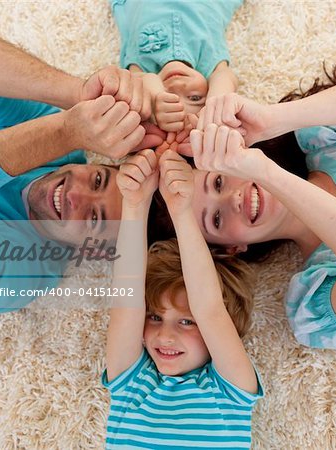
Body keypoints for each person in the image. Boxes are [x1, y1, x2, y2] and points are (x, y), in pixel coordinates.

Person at [0, 27, 165, 314]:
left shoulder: (18, 274)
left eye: (94, 218)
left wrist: (66, 132)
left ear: (94, 251)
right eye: (98, 180)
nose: (76, 195)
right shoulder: (63, 151)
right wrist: (79, 95)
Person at [185, 66, 336, 350]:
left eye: (219, 181)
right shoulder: (318, 297)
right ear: (232, 247)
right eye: (216, 219)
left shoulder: (327, 142)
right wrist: (266, 173)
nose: (232, 200)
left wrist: (273, 120)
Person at [103, 148, 263, 448]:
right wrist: (135, 206)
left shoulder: (231, 389)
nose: (165, 335)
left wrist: (182, 211)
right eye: (154, 317)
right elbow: (126, 304)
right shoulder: (131, 383)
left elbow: (210, 308)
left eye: (188, 321)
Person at [109, 0, 242, 132]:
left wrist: (155, 99)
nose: (177, 85)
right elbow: (225, 76)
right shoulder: (208, 64)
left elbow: (138, 80)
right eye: (194, 98)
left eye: (168, 94)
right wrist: (216, 107)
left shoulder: (145, 67)